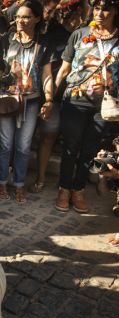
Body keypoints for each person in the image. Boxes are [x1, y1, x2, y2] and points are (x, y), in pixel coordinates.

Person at [54, 0, 119, 213]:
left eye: (106, 8)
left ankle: (78, 189)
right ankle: (64, 188)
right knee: (70, 146)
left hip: (105, 105)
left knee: (89, 149)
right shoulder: (79, 34)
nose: (100, 13)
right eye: (97, 8)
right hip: (75, 100)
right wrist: (50, 99)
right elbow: (64, 70)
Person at [0, 0, 54, 203]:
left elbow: (46, 74)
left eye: (25, 16)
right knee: (5, 144)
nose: (20, 20)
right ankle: (1, 181)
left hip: (31, 100)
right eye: (17, 16)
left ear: (36, 18)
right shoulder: (7, 40)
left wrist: (49, 99)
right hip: (7, 99)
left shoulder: (43, 44)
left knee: (24, 146)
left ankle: (18, 184)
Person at [30, 0, 85, 194]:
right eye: (70, 15)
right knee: (48, 135)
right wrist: (49, 98)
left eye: (78, 15)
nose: (73, 20)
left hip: (75, 97)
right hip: (52, 94)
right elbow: (49, 70)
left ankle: (65, 182)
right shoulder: (54, 35)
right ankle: (41, 178)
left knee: (68, 140)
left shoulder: (87, 36)